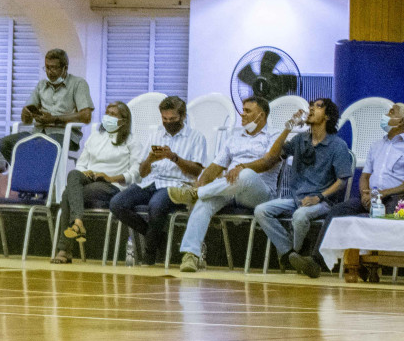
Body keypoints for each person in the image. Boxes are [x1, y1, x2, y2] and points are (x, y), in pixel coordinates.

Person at [171, 96, 285, 272]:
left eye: (248, 111)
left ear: (261, 115)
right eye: (242, 110)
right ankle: (191, 255)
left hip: (259, 192)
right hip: (230, 189)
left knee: (244, 173)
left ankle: (195, 193)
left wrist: (242, 166)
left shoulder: (274, 135)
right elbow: (215, 167)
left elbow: (269, 162)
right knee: (205, 201)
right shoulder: (234, 137)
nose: (242, 114)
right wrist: (200, 184)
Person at [252, 98, 352, 278]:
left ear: (328, 116)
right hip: (296, 198)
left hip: (323, 201)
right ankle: (291, 254)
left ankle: (294, 254)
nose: (311, 109)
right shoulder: (300, 139)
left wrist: (319, 197)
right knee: (261, 210)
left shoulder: (338, 145)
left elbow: (341, 182)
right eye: (310, 106)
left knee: (300, 216)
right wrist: (288, 127)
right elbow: (273, 155)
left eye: (318, 106)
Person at [108, 96, 206, 266]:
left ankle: (150, 254)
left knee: (156, 204)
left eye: (173, 119)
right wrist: (149, 160)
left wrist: (173, 157)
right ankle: (156, 237)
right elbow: (142, 173)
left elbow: (196, 171)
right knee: (117, 203)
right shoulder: (155, 134)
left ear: (182, 117)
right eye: (164, 119)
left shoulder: (196, 137)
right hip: (151, 182)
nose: (168, 123)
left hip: (177, 186)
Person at [53, 102, 137, 264]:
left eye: (113, 114)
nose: (108, 117)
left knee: (66, 195)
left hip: (112, 185)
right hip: (89, 179)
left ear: (123, 120)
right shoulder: (95, 137)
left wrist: (111, 177)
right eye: (107, 113)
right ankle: (77, 222)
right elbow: (82, 163)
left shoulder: (131, 141)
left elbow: (136, 173)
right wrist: (86, 172)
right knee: (73, 174)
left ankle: (65, 249)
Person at [0, 48, 93, 162]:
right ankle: (25, 174)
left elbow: (86, 116)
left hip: (63, 134)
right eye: (47, 67)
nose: (49, 72)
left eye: (54, 68)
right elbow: (27, 120)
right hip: (38, 132)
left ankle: (37, 176)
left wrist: (54, 119)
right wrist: (26, 114)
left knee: (44, 145)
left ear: (65, 68)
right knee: (5, 143)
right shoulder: (41, 85)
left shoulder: (78, 83)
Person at [358, 101, 404, 208]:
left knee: (387, 213)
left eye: (392, 112)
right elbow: (365, 176)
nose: (386, 115)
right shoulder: (376, 146)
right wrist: (365, 195)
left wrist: (384, 193)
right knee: (339, 211)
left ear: (401, 121)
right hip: (371, 198)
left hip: (395, 198)